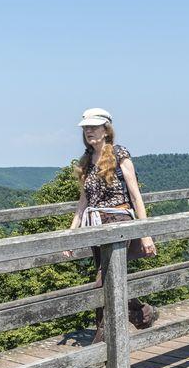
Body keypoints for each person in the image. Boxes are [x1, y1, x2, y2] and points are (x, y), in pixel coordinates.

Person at [65, 108, 158, 346]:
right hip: (96, 227)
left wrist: (145, 233)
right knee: (111, 280)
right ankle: (144, 313)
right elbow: (83, 202)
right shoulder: (86, 161)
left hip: (119, 224)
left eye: (94, 127)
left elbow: (136, 196)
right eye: (86, 128)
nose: (89, 132)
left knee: (103, 281)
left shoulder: (119, 154)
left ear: (106, 129)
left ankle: (103, 343)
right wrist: (71, 232)